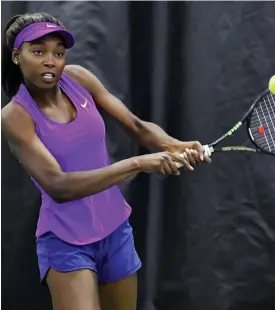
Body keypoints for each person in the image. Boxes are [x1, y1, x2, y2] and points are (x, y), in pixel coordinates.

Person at [1, 12, 211, 310]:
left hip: (115, 230)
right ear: (16, 56)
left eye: (58, 53)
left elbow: (137, 126)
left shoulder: (79, 79)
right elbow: (58, 186)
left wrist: (174, 145)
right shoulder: (14, 116)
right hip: (65, 239)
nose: (51, 61)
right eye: (38, 52)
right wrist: (138, 163)